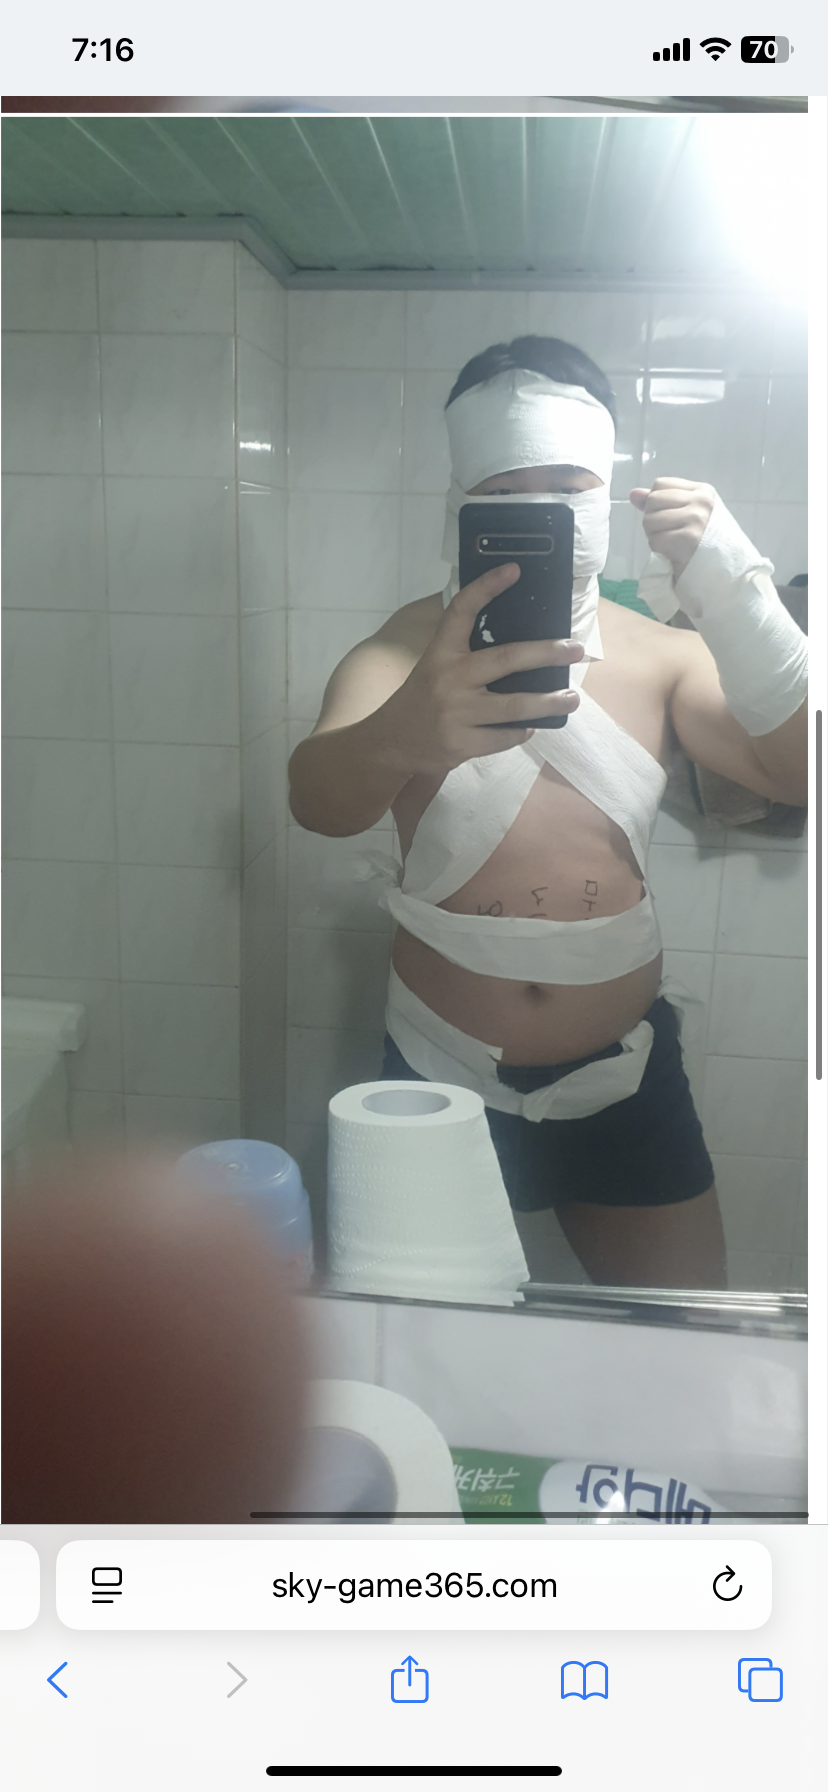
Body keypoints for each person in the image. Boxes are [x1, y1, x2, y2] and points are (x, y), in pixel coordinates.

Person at [289, 336, 808, 1290]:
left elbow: (799, 776)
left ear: (603, 500)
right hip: (439, 1068)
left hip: (625, 1073)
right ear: (461, 503)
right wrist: (405, 733)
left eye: (566, 488)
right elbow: (317, 801)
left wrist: (740, 598)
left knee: (680, 1335)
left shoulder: (660, 653)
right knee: (422, 1340)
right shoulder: (402, 652)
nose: (538, 514)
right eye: (505, 492)